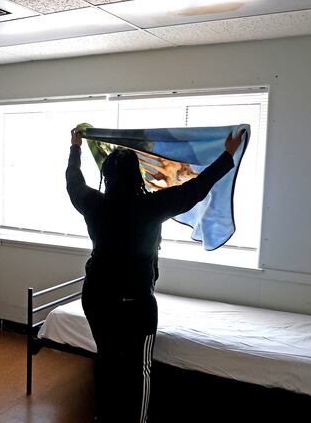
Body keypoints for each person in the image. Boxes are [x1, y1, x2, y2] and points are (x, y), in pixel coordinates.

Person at [66, 127, 244, 422]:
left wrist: (75, 148)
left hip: (96, 297)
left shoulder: (94, 203)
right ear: (137, 175)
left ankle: (105, 416)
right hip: (136, 304)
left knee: (107, 360)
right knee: (140, 367)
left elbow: (73, 182)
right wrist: (227, 155)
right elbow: (197, 189)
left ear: (107, 177)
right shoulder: (152, 205)